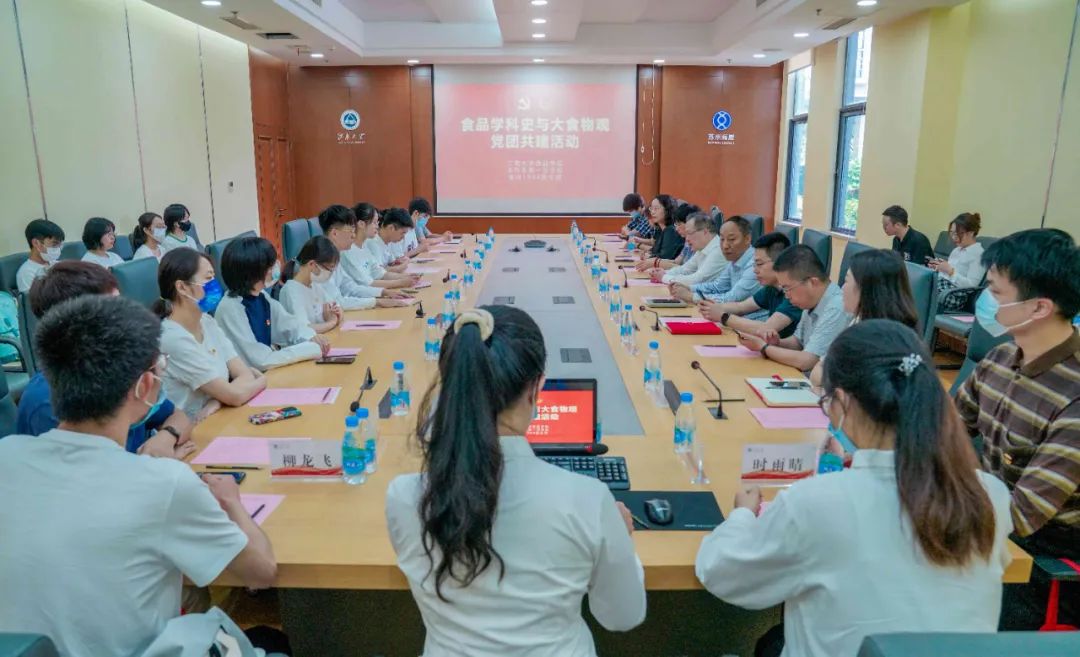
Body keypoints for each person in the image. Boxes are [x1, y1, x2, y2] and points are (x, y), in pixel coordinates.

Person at [696, 320, 1012, 657]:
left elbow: (724, 574)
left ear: (843, 402)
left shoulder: (817, 502)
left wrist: (743, 514)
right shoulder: (988, 493)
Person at [0, 294, 277, 657]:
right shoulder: (164, 483)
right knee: (268, 640)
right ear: (145, 387)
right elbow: (260, 572)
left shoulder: (7, 454)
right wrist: (232, 502)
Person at [386, 305, 646, 656]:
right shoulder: (587, 500)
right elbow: (622, 617)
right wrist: (618, 540)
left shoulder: (404, 497)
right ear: (536, 389)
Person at [955, 229, 1080, 629]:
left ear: (1039, 307)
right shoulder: (1001, 357)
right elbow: (946, 428)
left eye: (995, 291)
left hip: (1044, 559)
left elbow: (1023, 515)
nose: (986, 300)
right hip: (989, 518)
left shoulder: (1074, 396)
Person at [14, 261, 194, 458]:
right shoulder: (47, 402)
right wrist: (156, 465)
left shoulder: (123, 365)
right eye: (114, 307)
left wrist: (167, 437)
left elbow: (178, 417)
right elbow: (94, 473)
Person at [156, 248, 267, 421]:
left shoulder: (207, 322)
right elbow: (236, 395)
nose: (215, 285)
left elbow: (243, 373)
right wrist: (261, 381)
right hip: (191, 429)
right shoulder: (172, 338)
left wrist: (218, 400)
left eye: (214, 277)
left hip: (221, 417)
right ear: (182, 287)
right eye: (208, 278)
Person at [214, 236, 328, 371]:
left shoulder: (260, 295)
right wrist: (308, 350)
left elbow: (289, 325)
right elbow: (260, 361)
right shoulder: (230, 309)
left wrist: (311, 337)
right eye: (270, 266)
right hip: (250, 377)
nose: (275, 269)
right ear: (252, 273)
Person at [808, 249, 920, 386]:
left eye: (846, 281)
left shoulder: (888, 340)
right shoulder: (859, 321)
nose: (842, 288)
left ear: (866, 289)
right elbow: (817, 372)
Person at [737, 245, 852, 372]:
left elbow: (807, 361)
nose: (786, 296)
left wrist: (764, 348)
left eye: (787, 288)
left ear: (812, 282)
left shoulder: (836, 307)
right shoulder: (810, 301)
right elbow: (798, 342)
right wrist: (776, 343)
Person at [699, 232, 801, 339]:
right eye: (754, 264)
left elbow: (767, 328)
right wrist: (713, 308)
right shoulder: (771, 288)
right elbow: (741, 307)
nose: (755, 270)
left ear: (780, 262)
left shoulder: (794, 293)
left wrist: (723, 316)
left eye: (759, 264)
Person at [318, 204, 410, 309]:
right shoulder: (322, 262)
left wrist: (383, 292)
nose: (353, 235)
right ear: (335, 234)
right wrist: (376, 302)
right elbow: (338, 302)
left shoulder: (335, 255)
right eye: (351, 231)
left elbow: (351, 287)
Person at [671, 216, 761, 309]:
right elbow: (717, 287)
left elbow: (732, 298)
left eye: (732, 239)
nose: (725, 246)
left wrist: (691, 296)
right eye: (722, 239)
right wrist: (689, 288)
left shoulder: (755, 265)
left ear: (747, 239)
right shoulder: (734, 259)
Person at [344, 202, 420, 292]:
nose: (377, 226)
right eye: (374, 222)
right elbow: (366, 283)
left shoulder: (364, 246)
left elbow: (379, 273)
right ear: (361, 224)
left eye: (377, 222)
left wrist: (406, 277)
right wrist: (400, 282)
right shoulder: (349, 250)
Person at [279, 236, 344, 334]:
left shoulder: (315, 285)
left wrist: (337, 314)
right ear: (312, 265)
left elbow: (338, 309)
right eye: (329, 269)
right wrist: (331, 322)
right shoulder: (291, 291)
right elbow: (305, 330)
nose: (330, 274)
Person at [928, 212, 987, 311]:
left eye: (958, 233)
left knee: (919, 291)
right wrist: (938, 267)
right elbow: (946, 274)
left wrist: (951, 271)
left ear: (971, 233)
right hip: (942, 287)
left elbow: (971, 286)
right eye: (952, 233)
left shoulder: (978, 254)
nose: (954, 237)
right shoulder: (956, 250)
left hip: (954, 295)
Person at [660, 211, 728, 286]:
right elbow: (685, 269)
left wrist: (663, 277)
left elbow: (696, 280)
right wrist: (663, 272)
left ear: (705, 232)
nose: (687, 239)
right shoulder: (703, 248)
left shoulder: (718, 251)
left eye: (689, 233)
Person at [636, 203, 698, 274]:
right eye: (676, 224)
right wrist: (654, 261)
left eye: (679, 224)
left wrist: (656, 262)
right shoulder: (687, 242)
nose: (676, 229)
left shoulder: (671, 231)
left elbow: (687, 270)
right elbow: (677, 262)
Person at [16, 218, 65, 294]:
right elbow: (33, 301)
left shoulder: (56, 264)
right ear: (36, 243)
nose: (58, 249)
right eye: (54, 244)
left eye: (60, 245)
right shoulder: (26, 273)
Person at [643, 195, 684, 260]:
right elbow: (654, 250)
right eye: (651, 208)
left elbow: (665, 256)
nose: (652, 212)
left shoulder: (671, 230)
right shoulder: (660, 230)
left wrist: (649, 256)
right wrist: (648, 253)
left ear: (667, 210)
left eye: (656, 208)